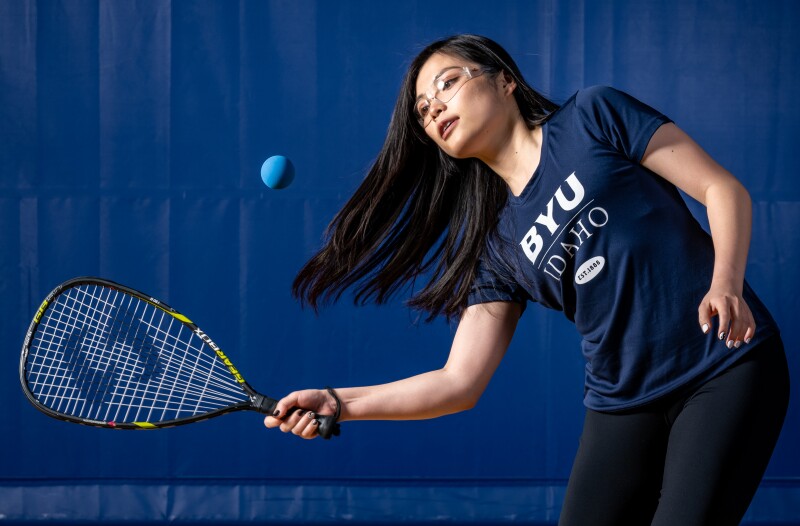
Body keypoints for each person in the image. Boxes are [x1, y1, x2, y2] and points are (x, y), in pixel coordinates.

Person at [264, 34, 789, 525]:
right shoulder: (496, 248)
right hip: (623, 403)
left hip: (722, 362)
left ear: (504, 80)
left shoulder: (594, 116)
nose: (436, 108)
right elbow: (458, 382)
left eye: (447, 83)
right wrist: (340, 402)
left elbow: (723, 190)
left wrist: (726, 283)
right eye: (424, 111)